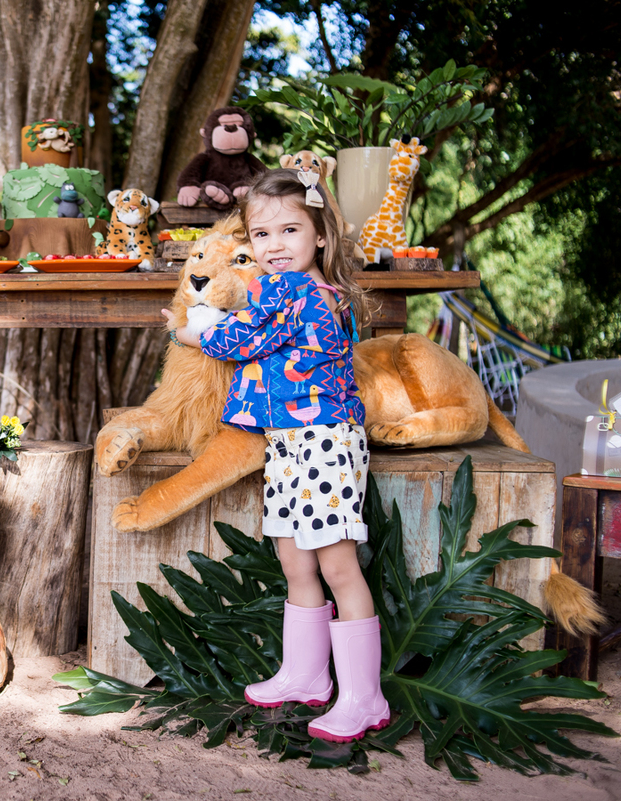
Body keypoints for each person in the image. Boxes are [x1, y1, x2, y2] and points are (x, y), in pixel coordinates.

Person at [171, 168, 387, 743]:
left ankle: (365, 698)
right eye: (261, 235)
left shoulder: (302, 294)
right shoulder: (286, 290)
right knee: (295, 561)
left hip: (325, 442)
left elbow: (244, 340)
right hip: (290, 442)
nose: (275, 245)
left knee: (338, 566)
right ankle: (306, 674)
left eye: (290, 230)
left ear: (321, 235)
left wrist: (189, 334)